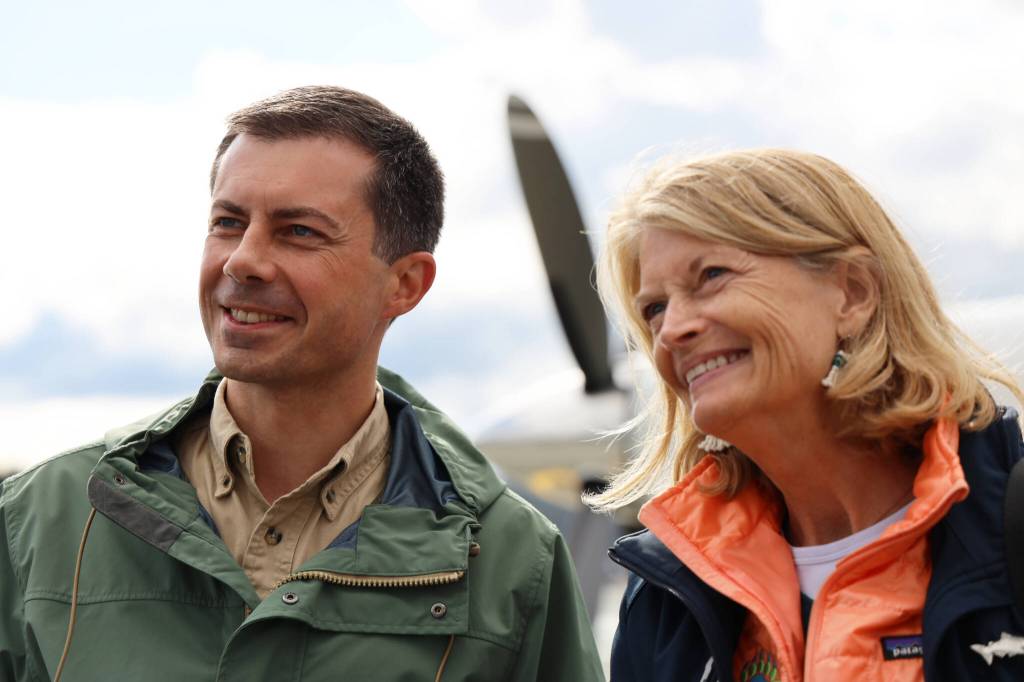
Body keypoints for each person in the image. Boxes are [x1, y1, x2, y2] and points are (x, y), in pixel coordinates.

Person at [0, 86, 604, 681]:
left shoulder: (513, 561)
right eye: (228, 223)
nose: (243, 261)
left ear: (406, 285)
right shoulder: (38, 519)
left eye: (299, 232)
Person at [589, 148, 1024, 681]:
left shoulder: (1010, 531)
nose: (673, 329)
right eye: (654, 309)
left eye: (712, 275)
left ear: (853, 292)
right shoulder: (664, 594)